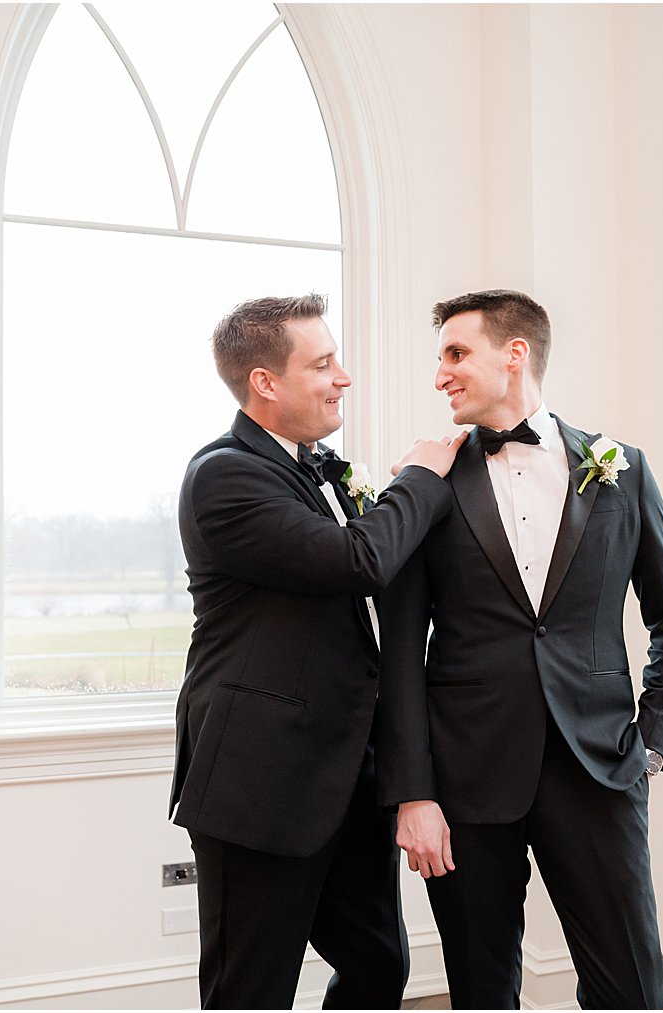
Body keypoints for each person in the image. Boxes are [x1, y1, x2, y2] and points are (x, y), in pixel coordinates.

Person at [375, 289, 663, 1010]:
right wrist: (414, 792)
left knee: (634, 986)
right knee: (482, 991)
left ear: (513, 354)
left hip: (598, 769)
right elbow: (399, 652)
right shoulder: (424, 484)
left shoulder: (624, 469)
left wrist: (652, 743)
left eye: (456, 354)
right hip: (466, 779)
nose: (441, 376)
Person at [169, 293, 465, 1010]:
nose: (344, 377)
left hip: (349, 780)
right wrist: (422, 476)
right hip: (260, 787)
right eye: (324, 362)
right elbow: (358, 560)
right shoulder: (225, 476)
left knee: (378, 967)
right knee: (251, 990)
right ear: (265, 383)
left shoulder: (317, 466)